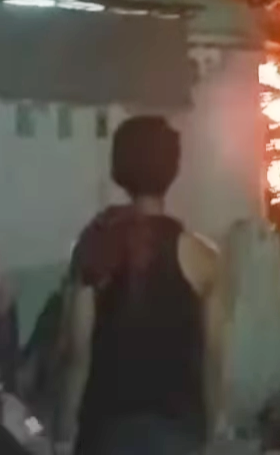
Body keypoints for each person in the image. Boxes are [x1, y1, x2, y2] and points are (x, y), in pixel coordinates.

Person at [54, 116, 225, 455]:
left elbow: (77, 351)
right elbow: (214, 356)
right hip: (179, 432)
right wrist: (213, 428)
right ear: (173, 169)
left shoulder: (94, 245)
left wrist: (63, 429)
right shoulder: (203, 258)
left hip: (105, 432)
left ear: (118, 168)